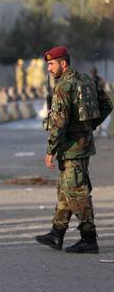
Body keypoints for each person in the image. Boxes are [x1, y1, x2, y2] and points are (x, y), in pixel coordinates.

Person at [36, 46, 112, 254]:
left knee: (77, 192)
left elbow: (59, 123)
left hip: (71, 148)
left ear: (63, 63)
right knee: (65, 190)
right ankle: (56, 233)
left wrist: (50, 150)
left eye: (51, 64)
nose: (49, 69)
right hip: (83, 144)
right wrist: (90, 125)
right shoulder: (86, 80)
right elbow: (107, 103)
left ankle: (88, 239)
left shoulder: (63, 86)